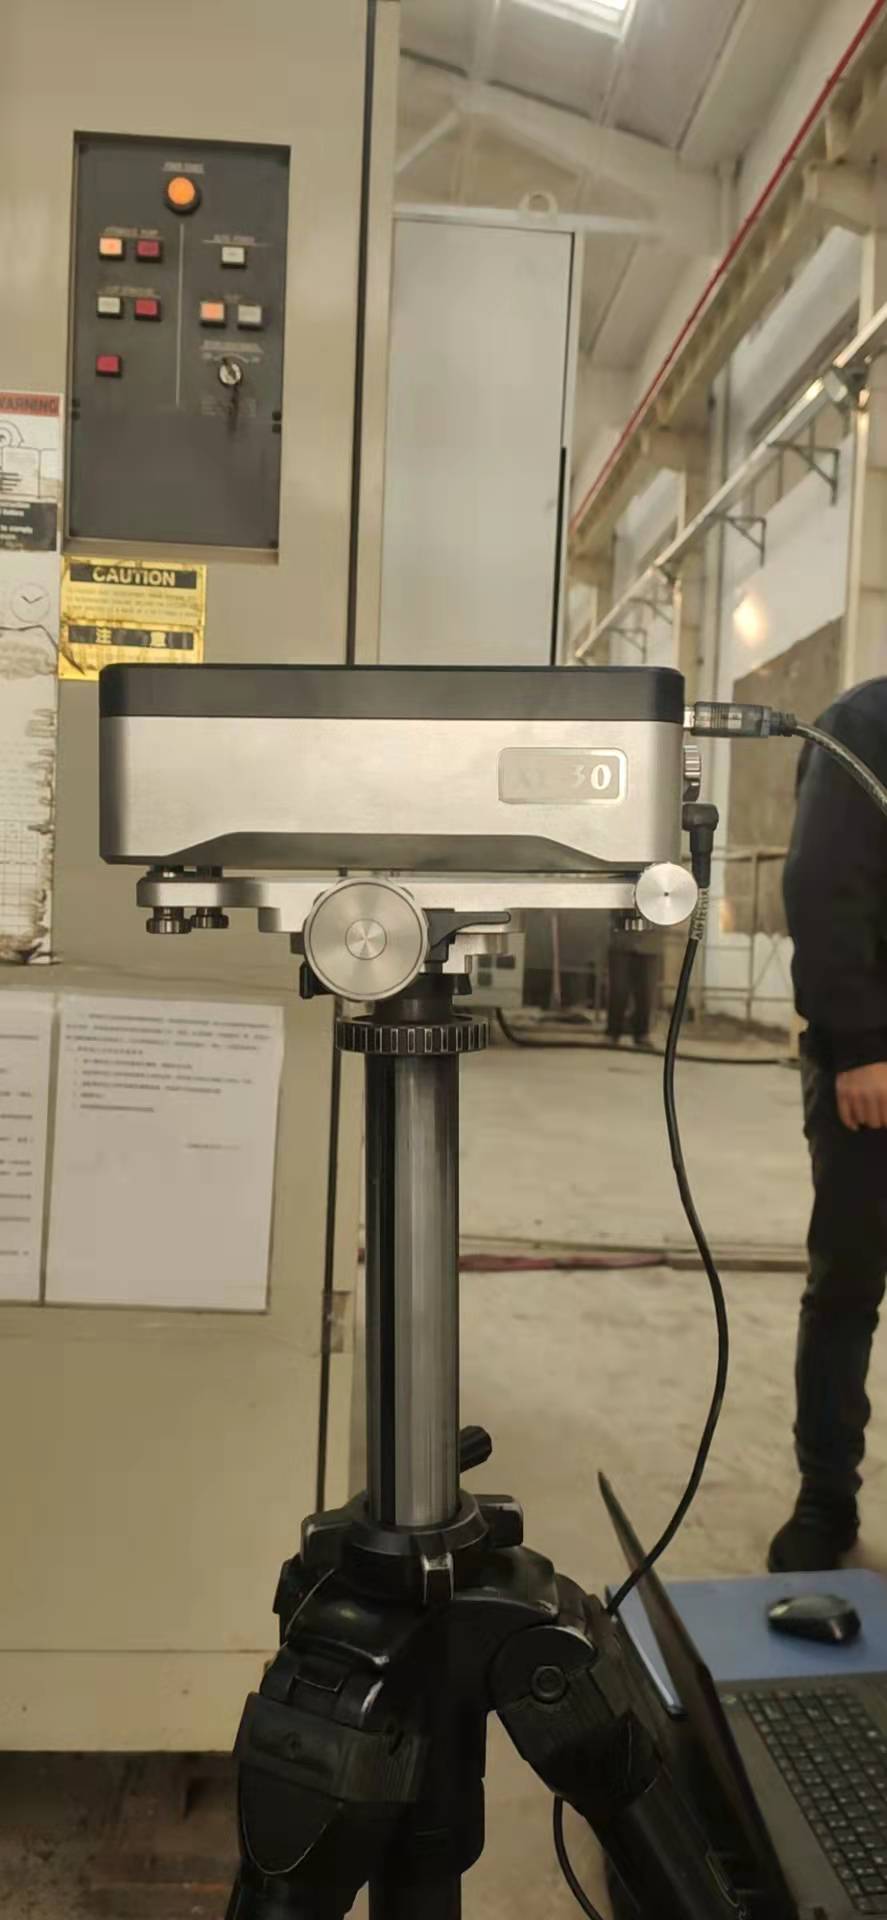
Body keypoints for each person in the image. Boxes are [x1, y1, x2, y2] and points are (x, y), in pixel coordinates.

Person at [769, 677, 887, 1573]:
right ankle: (824, 1498)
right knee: (847, 1284)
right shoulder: (865, 723)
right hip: (877, 1066)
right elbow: (821, 883)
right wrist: (859, 1046)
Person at [606, 916, 660, 1048]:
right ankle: (613, 1032)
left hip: (649, 942)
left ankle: (642, 1033)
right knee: (619, 989)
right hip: (622, 940)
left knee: (645, 991)